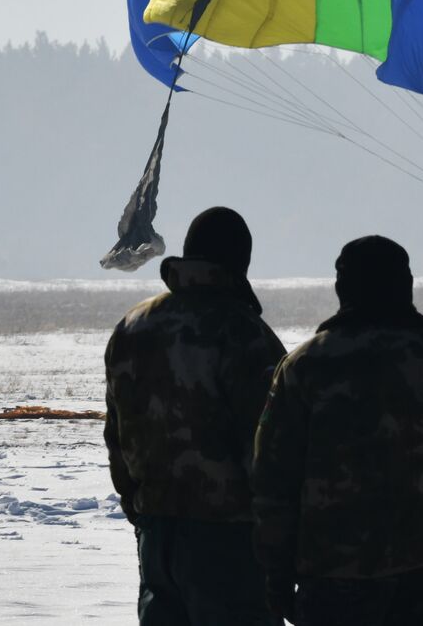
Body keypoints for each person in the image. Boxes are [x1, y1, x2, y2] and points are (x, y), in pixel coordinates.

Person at [251, 235, 423, 625]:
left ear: (342, 289)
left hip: (330, 580)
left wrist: (276, 572)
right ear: (406, 287)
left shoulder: (303, 369)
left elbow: (273, 478)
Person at [104, 207, 288, 625]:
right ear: (241, 261)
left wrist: (142, 513)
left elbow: (117, 439)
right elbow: (268, 454)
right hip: (230, 545)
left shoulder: (132, 328)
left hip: (156, 537)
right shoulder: (244, 334)